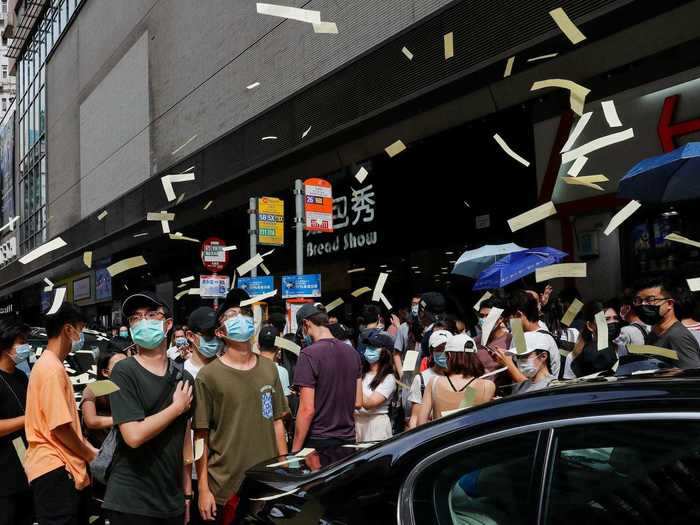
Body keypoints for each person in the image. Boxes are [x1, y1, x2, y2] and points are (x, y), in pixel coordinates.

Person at [194, 289, 289, 523]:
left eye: (243, 313)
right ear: (220, 332)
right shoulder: (208, 376)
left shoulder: (269, 369)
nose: (240, 318)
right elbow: (201, 436)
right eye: (231, 315)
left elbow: (277, 422)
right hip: (225, 486)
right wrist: (203, 489)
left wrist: (284, 469)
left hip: (266, 482)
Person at [103, 291, 194, 525]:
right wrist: (176, 408)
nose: (143, 322)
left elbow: (185, 440)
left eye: (151, 315)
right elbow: (133, 436)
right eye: (135, 318)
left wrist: (187, 493)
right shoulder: (124, 372)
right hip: (131, 501)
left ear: (168, 324)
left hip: (170, 500)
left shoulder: (183, 377)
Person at [24, 303, 98, 525]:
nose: (82, 336)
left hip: (55, 468)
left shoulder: (49, 365)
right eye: (81, 329)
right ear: (68, 330)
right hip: (56, 469)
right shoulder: (51, 370)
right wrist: (88, 453)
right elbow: (60, 427)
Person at [292, 303, 363, 451]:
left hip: (318, 441)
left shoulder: (308, 355)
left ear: (306, 323)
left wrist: (295, 451)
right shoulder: (353, 353)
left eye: (303, 330)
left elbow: (307, 409)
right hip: (348, 440)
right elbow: (358, 401)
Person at [418, 333, 495, 424]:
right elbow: (465, 407)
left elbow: (421, 423)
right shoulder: (487, 386)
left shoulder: (434, 382)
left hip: (442, 437)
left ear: (449, 355)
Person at [0, 318, 33, 525]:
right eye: (22, 342)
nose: (26, 347)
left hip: (25, 465)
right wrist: (29, 419)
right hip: (3, 475)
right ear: (4, 345)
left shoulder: (21, 376)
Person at [634, 277, 700, 368]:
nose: (643, 305)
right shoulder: (653, 335)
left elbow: (692, 376)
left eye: (650, 300)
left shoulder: (677, 336)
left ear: (669, 304)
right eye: (639, 301)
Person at [507, 290, 561, 378]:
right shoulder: (519, 332)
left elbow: (524, 377)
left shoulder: (536, 338)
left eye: (510, 317)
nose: (509, 322)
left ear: (518, 314)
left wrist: (507, 363)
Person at [81, 345, 127, 449]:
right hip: (102, 449)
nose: (126, 369)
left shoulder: (133, 386)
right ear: (105, 372)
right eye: (119, 366)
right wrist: (124, 419)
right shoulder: (95, 389)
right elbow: (91, 421)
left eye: (127, 363)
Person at [355, 332, 398, 442]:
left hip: (376, 426)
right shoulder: (362, 374)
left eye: (374, 347)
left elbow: (370, 404)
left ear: (385, 351)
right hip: (356, 424)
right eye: (368, 346)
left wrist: (354, 381)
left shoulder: (389, 378)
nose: (369, 350)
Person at [407, 329, 450, 429]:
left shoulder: (460, 377)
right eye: (439, 349)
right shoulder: (421, 379)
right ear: (431, 352)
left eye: (446, 349)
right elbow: (415, 417)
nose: (443, 352)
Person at [566, 301, 619, 377]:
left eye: (615, 318)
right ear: (590, 326)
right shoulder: (574, 356)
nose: (612, 322)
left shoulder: (623, 351)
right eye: (606, 319)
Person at [474, 297, 512, 378]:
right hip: (479, 388)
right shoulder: (474, 342)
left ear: (500, 319)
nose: (483, 319)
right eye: (481, 316)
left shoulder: (512, 339)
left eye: (488, 316)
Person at [183, 307, 221, 380]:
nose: (215, 339)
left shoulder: (229, 368)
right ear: (190, 336)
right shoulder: (181, 373)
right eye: (209, 333)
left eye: (218, 332)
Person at [258, 325, 291, 396]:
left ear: (258, 346)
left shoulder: (249, 368)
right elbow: (284, 404)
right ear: (278, 347)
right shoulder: (282, 372)